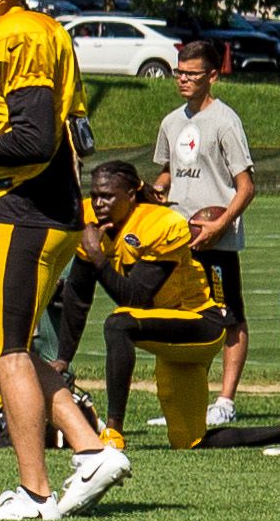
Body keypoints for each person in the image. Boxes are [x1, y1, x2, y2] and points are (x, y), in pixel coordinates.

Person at [0, 0, 127, 520]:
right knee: (19, 348)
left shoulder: (14, 33)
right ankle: (92, 451)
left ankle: (34, 490)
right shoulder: (38, 29)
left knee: (5, 351)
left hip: (29, 207)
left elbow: (31, 136)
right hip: (48, 207)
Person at [152, 42, 280, 436]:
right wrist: (157, 191)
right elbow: (168, 173)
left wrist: (221, 223)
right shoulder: (172, 122)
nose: (183, 80)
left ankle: (225, 402)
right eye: (179, 73)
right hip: (179, 240)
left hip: (216, 240)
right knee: (183, 319)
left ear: (212, 76)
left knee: (228, 318)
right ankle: (187, 401)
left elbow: (247, 186)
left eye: (191, 74)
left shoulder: (226, 121)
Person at [77, 157, 242, 452]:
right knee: (190, 442)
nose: (99, 203)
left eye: (107, 196)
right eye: (95, 195)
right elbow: (77, 295)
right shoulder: (90, 219)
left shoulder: (160, 223)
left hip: (202, 323)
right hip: (170, 333)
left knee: (119, 323)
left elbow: (136, 299)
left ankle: (113, 431)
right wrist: (63, 359)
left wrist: (98, 256)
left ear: (130, 195)